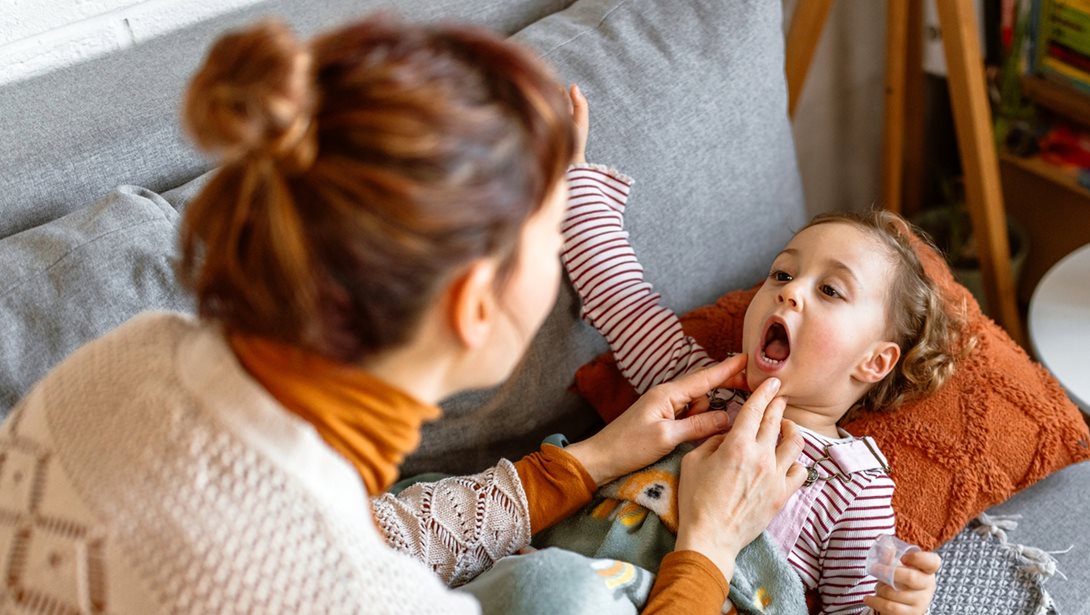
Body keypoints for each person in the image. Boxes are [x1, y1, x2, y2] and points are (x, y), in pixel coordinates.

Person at [0, 16, 938, 615]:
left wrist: (591, 459)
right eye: (549, 228)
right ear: (476, 308)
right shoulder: (352, 587)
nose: (786, 294)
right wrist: (707, 543)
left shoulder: (134, 357)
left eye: (828, 291)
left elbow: (373, 531)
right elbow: (350, 559)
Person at [557, 86, 953, 614]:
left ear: (874, 361)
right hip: (568, 578)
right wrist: (573, 175)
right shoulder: (695, 382)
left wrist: (898, 606)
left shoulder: (851, 489)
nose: (789, 290)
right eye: (783, 273)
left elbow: (853, 606)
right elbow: (619, 296)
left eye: (830, 290)